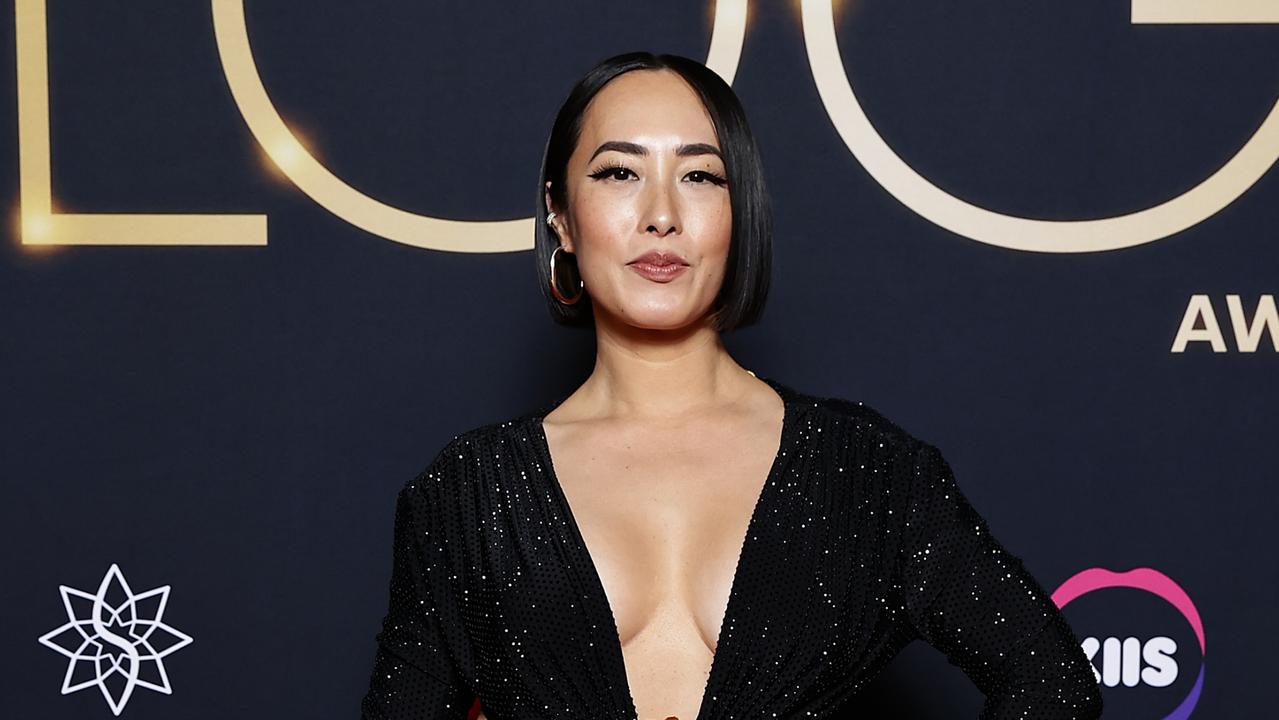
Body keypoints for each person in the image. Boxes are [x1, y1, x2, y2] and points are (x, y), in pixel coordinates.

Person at [360, 51, 1102, 720]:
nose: (660, 217)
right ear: (559, 215)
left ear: (737, 212)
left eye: (700, 176)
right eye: (619, 173)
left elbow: (1051, 683)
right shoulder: (468, 494)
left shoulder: (867, 472)